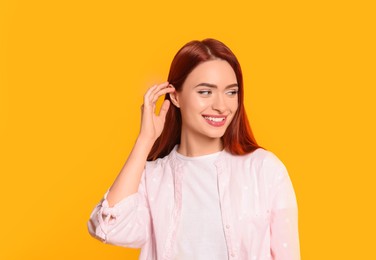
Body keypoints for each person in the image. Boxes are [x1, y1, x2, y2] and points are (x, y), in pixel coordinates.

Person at [87, 38, 300, 259]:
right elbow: (107, 228)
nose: (221, 106)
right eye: (205, 92)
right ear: (175, 96)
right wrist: (145, 140)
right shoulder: (153, 179)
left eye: (231, 92)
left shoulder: (264, 169)